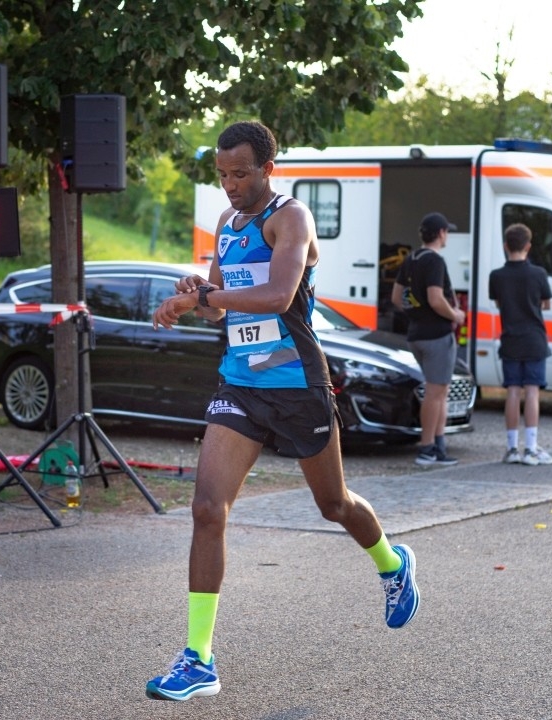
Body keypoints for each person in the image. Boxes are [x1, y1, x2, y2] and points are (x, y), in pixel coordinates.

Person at [146, 120, 420, 702]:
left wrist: (203, 297)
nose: (230, 186)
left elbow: (277, 295)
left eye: (240, 174)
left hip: (297, 384)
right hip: (241, 384)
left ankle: (392, 563)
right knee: (207, 509)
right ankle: (198, 659)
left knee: (333, 504)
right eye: (222, 175)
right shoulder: (227, 224)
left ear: (268, 168)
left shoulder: (291, 218)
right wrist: (198, 293)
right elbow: (221, 308)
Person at [390, 212, 465, 467]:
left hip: (416, 334)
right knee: (435, 393)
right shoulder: (435, 261)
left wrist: (415, 313)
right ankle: (427, 448)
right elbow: (436, 298)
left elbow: (397, 297)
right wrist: (455, 315)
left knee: (441, 391)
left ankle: (439, 445)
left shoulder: (411, 258)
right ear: (441, 233)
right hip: (436, 335)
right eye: (447, 232)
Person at [488, 223, 552, 466]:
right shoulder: (538, 274)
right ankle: (531, 448)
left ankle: (511, 448)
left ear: (506, 246)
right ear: (528, 246)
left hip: (510, 339)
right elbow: (546, 304)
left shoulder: (496, 276)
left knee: (513, 391)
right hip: (534, 339)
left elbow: (499, 303)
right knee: (532, 392)